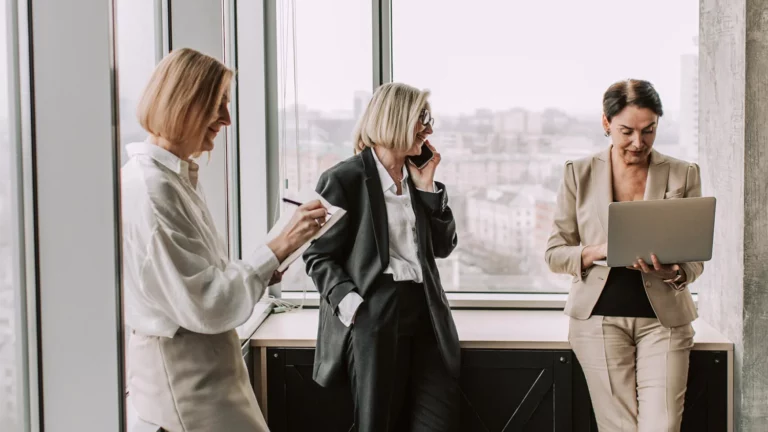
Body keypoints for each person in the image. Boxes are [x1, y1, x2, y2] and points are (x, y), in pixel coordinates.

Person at [121, 48, 327, 432]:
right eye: (218, 105)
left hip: (201, 370)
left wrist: (263, 271)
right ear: (184, 104)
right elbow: (206, 304)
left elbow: (197, 280)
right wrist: (280, 245)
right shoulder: (154, 191)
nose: (227, 120)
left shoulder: (170, 182)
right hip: (187, 380)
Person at [546, 79, 703, 431]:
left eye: (649, 131)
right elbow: (555, 253)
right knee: (617, 427)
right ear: (606, 123)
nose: (638, 142)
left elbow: (694, 262)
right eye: (626, 131)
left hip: (665, 321)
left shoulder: (683, 173)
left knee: (661, 426)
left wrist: (675, 272)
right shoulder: (578, 173)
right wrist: (600, 250)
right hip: (598, 320)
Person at [303, 82, 460, 432]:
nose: (430, 129)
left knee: (437, 423)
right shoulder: (344, 179)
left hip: (426, 314)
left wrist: (428, 189)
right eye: (423, 118)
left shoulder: (419, 180)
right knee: (378, 425)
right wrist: (354, 306)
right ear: (395, 119)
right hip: (375, 311)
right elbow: (317, 255)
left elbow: (444, 247)